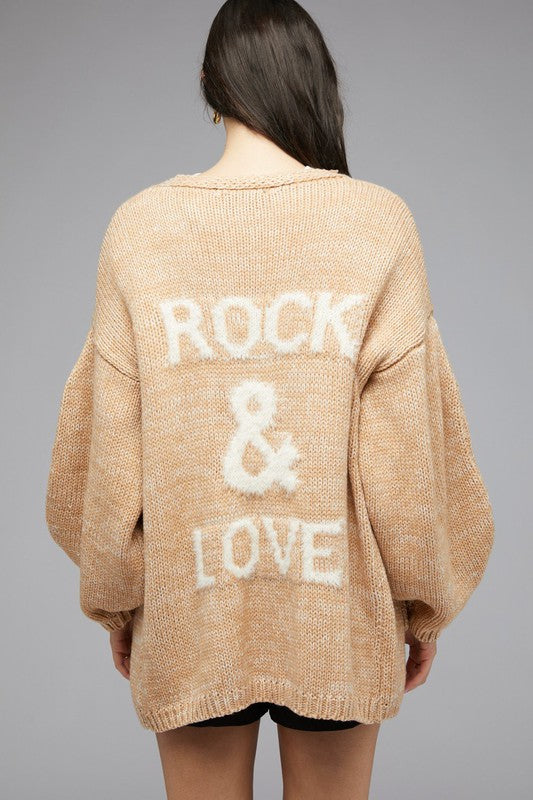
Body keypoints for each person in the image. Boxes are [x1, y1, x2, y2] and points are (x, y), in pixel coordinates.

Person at [45, 1, 495, 798]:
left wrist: (120, 600)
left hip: (190, 608)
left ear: (208, 85)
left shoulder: (140, 231)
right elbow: (404, 459)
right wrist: (421, 605)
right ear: (315, 85)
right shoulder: (375, 224)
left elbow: (108, 452)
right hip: (336, 616)